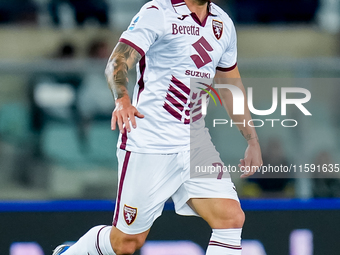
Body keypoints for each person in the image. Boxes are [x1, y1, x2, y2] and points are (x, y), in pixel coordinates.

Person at [52, 0, 263, 255]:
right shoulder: (158, 12)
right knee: (126, 243)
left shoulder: (223, 23)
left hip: (195, 141)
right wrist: (122, 100)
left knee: (231, 218)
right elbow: (117, 61)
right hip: (150, 140)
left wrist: (252, 139)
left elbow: (231, 86)